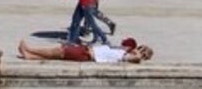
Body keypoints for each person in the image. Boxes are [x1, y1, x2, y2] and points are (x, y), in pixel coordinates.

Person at [17, 37, 152, 64]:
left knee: (57, 51)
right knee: (57, 55)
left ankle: (30, 49)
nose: (137, 49)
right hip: (86, 51)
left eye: (140, 49)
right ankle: (30, 56)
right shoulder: (123, 52)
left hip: (86, 53)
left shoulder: (127, 57)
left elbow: (138, 58)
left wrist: (140, 53)